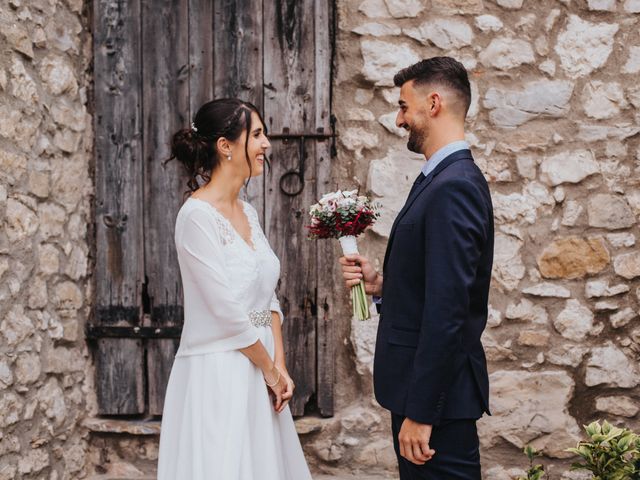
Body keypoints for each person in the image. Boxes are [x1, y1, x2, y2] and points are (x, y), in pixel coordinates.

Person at [340, 57, 494, 479]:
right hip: (424, 397)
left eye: (405, 106)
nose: (399, 119)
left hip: (434, 406)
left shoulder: (454, 185)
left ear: (434, 102)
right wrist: (382, 286)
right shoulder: (439, 179)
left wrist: (423, 412)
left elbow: (449, 311)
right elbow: (435, 286)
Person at [157, 98, 312, 480]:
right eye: (257, 134)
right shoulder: (195, 217)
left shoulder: (249, 211)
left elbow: (267, 296)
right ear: (225, 146)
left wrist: (280, 365)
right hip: (220, 372)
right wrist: (269, 370)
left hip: (260, 367)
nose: (266, 144)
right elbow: (225, 312)